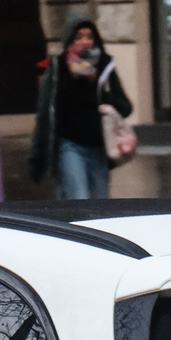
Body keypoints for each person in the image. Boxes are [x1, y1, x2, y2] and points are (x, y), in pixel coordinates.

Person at [28, 15, 132, 201]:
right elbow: (45, 113)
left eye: (89, 36)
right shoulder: (58, 68)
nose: (84, 41)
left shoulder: (105, 66)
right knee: (80, 199)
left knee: (101, 205)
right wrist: (37, 157)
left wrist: (103, 97)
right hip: (70, 148)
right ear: (69, 40)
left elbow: (126, 107)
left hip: (99, 150)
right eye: (78, 37)